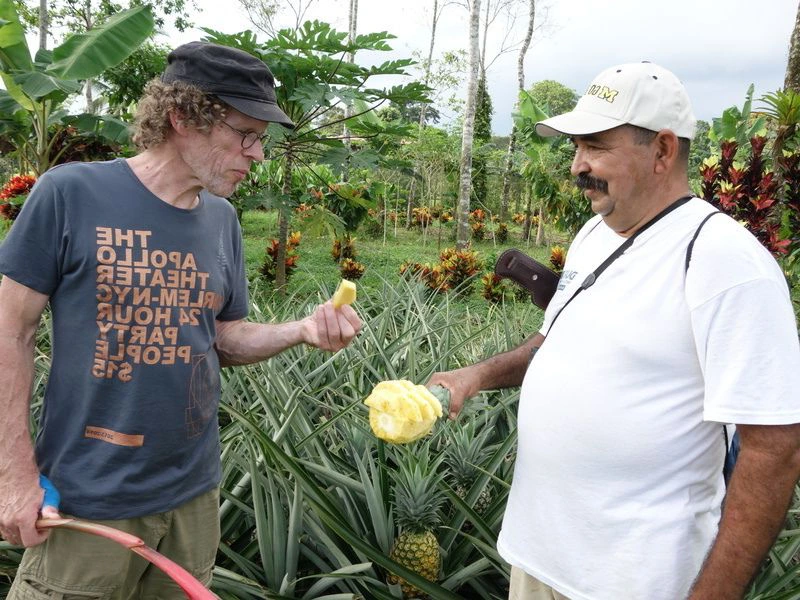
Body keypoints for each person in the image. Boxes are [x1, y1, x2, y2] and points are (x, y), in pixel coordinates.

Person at [0, 41, 361, 598]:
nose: (257, 153)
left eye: (260, 138)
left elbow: (221, 337)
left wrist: (302, 330)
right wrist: (14, 475)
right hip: (88, 500)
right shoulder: (71, 193)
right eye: (245, 134)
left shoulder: (221, 220)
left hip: (193, 501)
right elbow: (11, 330)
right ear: (182, 117)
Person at [429, 61, 800, 600]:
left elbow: (774, 449)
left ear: (663, 151)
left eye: (596, 147)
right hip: (540, 561)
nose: (578, 166)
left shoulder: (725, 263)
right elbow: (552, 342)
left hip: (636, 580)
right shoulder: (593, 233)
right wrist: (476, 375)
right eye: (576, 148)